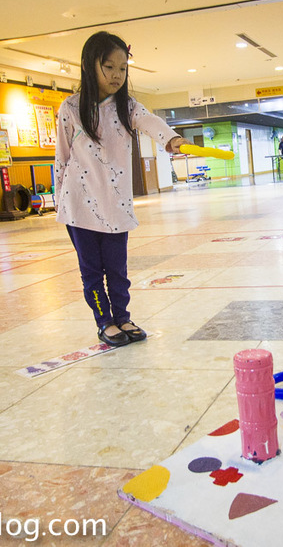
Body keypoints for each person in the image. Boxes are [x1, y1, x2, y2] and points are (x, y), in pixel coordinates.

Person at [55, 31, 190, 347]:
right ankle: (104, 322)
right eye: (109, 67)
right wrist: (59, 202)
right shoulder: (71, 108)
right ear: (91, 66)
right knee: (92, 272)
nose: (117, 75)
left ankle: (123, 317)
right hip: (78, 205)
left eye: (123, 68)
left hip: (115, 204)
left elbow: (151, 122)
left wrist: (172, 139)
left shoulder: (127, 106)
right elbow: (61, 157)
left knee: (117, 269)